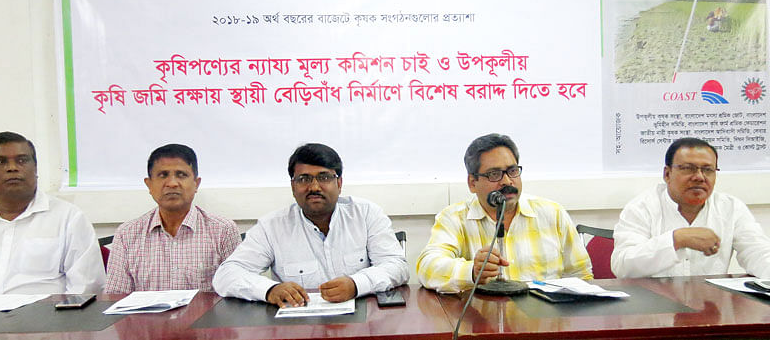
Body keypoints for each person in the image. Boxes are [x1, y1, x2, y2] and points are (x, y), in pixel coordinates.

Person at [213, 143, 408, 307]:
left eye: (324, 177)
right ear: (293, 186)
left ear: (339, 183)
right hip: (298, 326)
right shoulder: (272, 226)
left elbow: (396, 265)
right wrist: (269, 290)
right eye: (304, 179)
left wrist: (356, 284)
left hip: (363, 321)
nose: (314, 187)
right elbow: (226, 275)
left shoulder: (366, 214)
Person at [417, 133, 592, 293]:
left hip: (543, 321)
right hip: (483, 321)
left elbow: (581, 274)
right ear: (472, 183)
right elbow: (427, 267)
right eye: (494, 174)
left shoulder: (552, 214)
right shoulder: (455, 218)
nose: (507, 181)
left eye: (513, 171)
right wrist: (471, 271)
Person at [611, 137, 770, 278]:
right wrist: (677, 239)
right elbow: (623, 266)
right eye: (688, 168)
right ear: (667, 174)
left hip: (712, 305)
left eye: (708, 170)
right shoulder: (642, 208)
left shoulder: (731, 208)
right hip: (653, 307)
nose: (699, 177)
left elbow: (758, 253)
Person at [0, 131, 104, 294]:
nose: (12, 168)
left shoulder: (68, 218)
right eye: (0, 162)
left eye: (22, 160)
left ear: (35, 168)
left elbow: (87, 288)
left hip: (43, 317)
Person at [104, 144, 241, 293]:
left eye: (181, 175)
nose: (172, 183)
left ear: (196, 183)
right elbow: (115, 299)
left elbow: (238, 291)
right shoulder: (127, 234)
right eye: (163, 175)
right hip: (145, 317)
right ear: (149, 185)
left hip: (207, 317)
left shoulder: (223, 231)